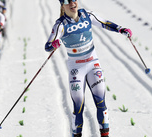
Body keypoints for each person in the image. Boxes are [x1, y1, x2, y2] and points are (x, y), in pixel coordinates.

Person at [44, 0, 132, 136]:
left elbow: (104, 23)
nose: (72, 3)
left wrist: (121, 29)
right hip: (76, 69)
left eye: (74, 0)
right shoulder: (60, 25)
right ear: (62, 4)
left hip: (93, 64)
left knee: (101, 102)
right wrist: (54, 44)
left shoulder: (87, 15)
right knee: (78, 107)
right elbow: (47, 46)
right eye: (67, 1)